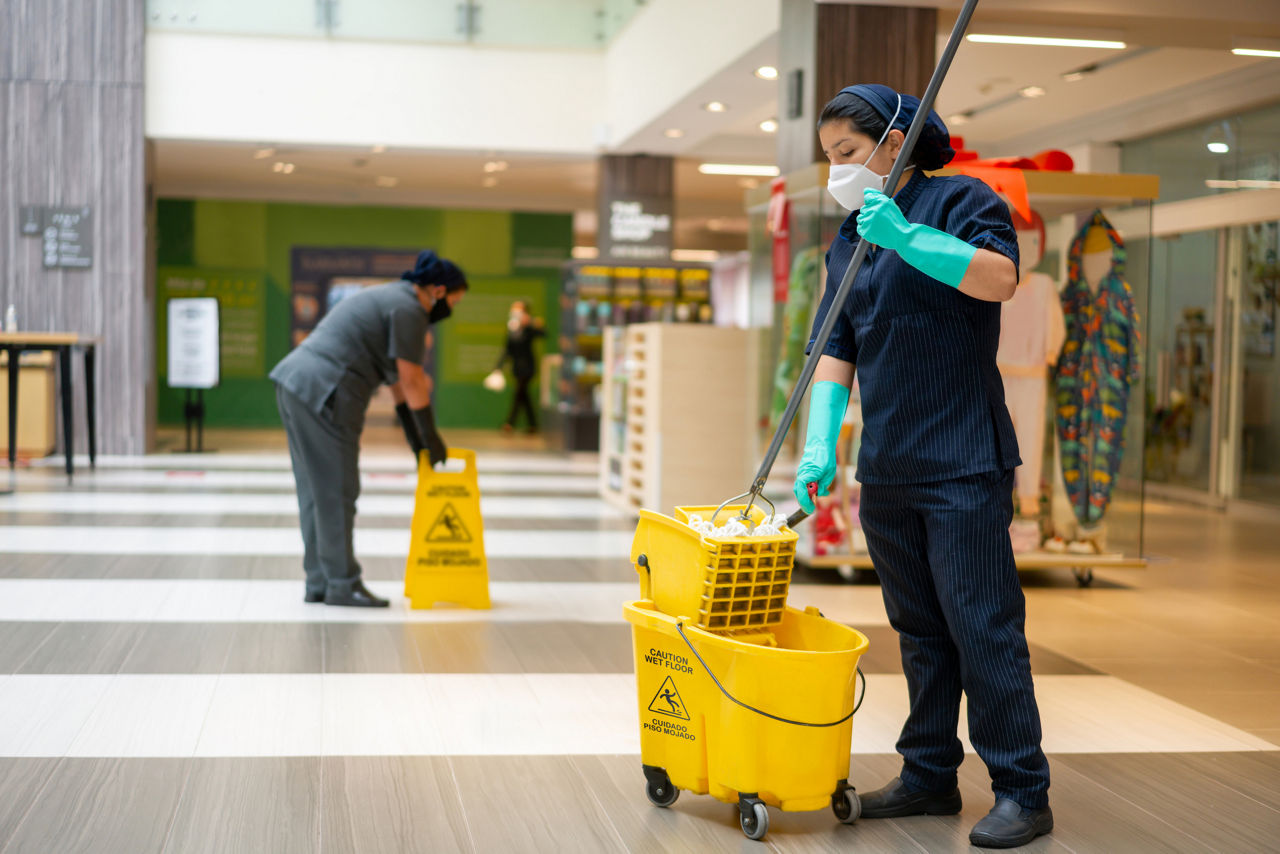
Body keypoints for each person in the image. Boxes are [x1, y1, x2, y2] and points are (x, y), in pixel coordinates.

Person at [794, 83, 1052, 848]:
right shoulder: (849, 237)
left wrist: (909, 238)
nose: (838, 170)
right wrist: (820, 446)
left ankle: (1023, 790)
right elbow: (836, 349)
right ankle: (930, 774)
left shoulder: (961, 201)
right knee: (918, 629)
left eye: (848, 153)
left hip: (964, 459)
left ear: (896, 140)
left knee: (983, 625)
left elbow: (999, 279)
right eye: (830, 158)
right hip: (890, 467)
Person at [270, 250, 468, 608]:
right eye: (454, 300)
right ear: (438, 290)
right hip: (327, 390)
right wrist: (432, 438)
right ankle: (343, 584)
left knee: (316, 491)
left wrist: (414, 438)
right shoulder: (410, 309)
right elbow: (412, 379)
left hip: (296, 382)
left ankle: (319, 581)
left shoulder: (391, 298)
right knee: (337, 490)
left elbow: (396, 383)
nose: (451, 309)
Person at [496, 300, 545, 434]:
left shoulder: (529, 328)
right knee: (523, 396)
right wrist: (498, 367)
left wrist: (531, 324)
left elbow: (543, 334)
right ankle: (532, 425)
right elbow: (507, 350)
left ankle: (509, 423)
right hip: (517, 368)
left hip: (528, 367)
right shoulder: (512, 328)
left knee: (519, 394)